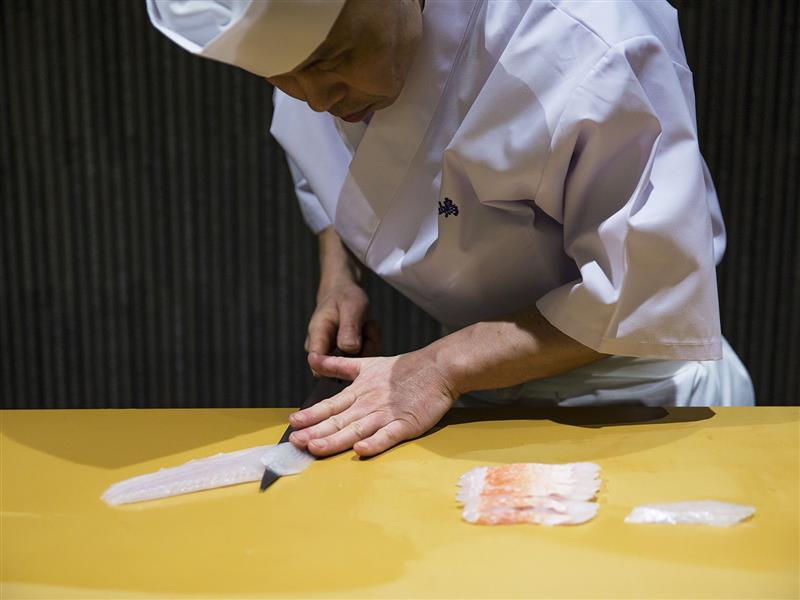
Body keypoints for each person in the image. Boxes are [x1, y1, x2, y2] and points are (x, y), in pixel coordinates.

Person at [147, 0, 755, 458]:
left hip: (637, 403)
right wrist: (339, 276)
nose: (314, 97)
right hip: (471, 405)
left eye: (329, 61)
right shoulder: (314, 68)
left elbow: (643, 290)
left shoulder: (585, 38)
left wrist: (438, 367)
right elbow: (327, 167)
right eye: (280, 78)